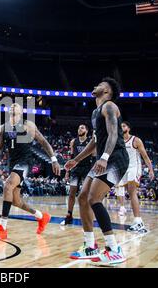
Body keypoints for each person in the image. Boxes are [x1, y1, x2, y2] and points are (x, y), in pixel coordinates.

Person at [65, 77, 129, 265]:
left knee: (94, 198)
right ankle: (90, 245)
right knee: (82, 197)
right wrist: (76, 160)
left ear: (107, 91)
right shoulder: (95, 112)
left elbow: (114, 134)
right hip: (102, 158)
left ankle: (114, 248)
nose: (95, 85)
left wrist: (104, 157)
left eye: (100, 85)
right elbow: (94, 142)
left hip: (115, 158)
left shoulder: (110, 106)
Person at [0, 103, 61, 240]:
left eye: (16, 105)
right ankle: (41, 217)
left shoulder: (27, 125)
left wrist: (54, 159)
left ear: (20, 112)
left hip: (25, 163)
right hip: (13, 164)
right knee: (16, 201)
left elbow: (43, 142)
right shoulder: (2, 128)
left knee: (7, 185)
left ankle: (2, 229)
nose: (13, 105)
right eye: (11, 105)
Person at [117, 121, 154, 233]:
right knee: (128, 192)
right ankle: (137, 220)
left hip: (134, 167)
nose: (121, 127)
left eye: (123, 126)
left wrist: (151, 170)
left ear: (128, 128)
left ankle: (138, 221)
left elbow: (145, 157)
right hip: (124, 169)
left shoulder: (136, 140)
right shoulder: (118, 141)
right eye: (120, 126)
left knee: (132, 193)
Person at [61, 124, 95, 225]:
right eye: (79, 127)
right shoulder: (73, 142)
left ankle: (87, 217)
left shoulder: (90, 142)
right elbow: (71, 157)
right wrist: (67, 171)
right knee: (71, 193)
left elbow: (94, 157)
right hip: (75, 169)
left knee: (85, 194)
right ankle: (69, 215)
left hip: (87, 169)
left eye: (82, 128)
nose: (80, 129)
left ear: (87, 131)